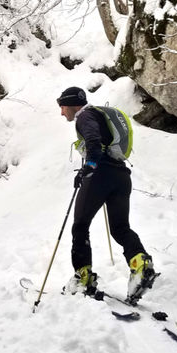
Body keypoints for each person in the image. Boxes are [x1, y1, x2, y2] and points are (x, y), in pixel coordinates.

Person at [56, 86, 156, 303]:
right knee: (120, 228)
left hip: (100, 175)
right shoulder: (98, 115)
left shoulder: (85, 116)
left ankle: (83, 278)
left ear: (72, 104)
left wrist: (90, 165)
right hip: (122, 176)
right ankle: (140, 264)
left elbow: (93, 141)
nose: (62, 112)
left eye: (62, 107)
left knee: (80, 225)